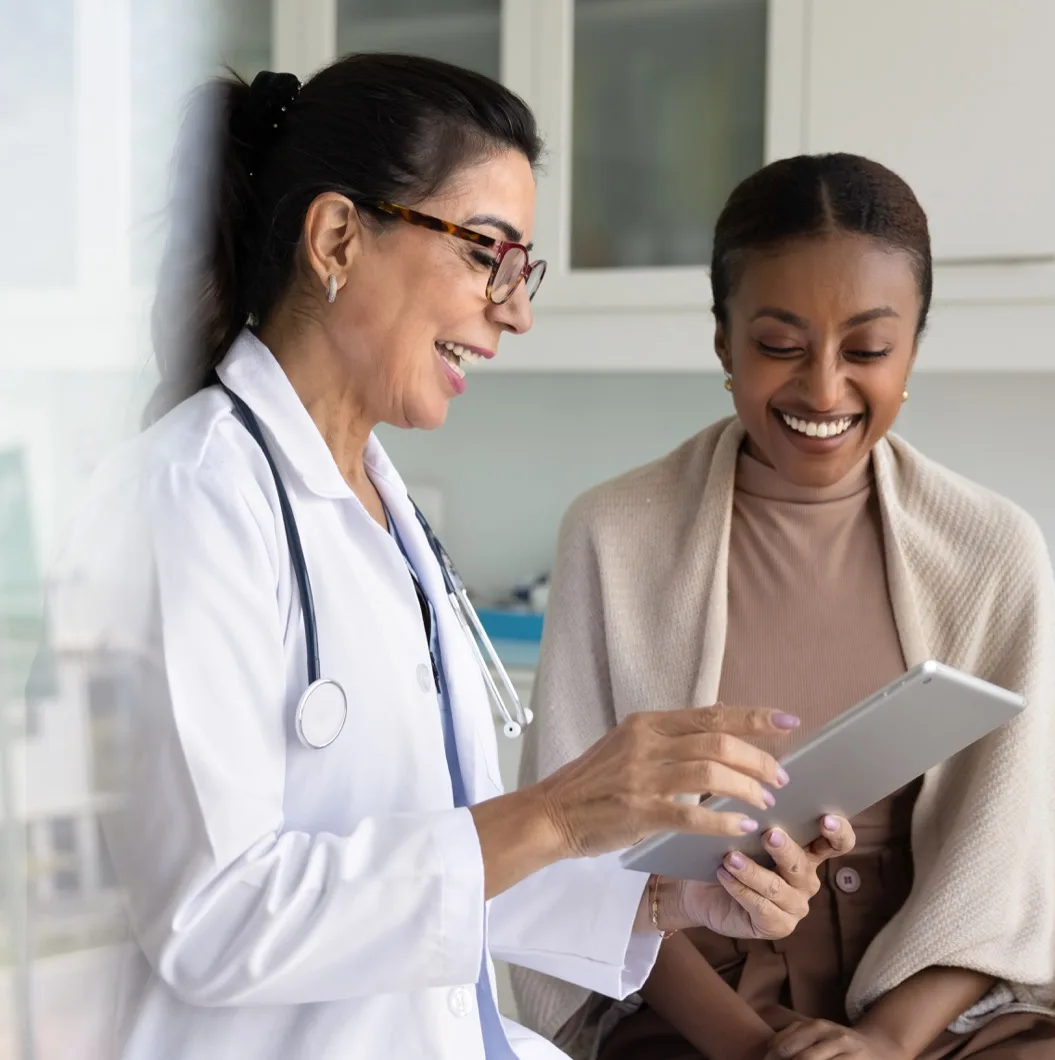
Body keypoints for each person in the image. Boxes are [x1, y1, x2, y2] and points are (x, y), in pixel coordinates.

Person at [49, 58, 858, 1060]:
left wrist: (669, 895)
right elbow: (216, 916)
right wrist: (560, 811)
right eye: (487, 254)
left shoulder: (386, 513)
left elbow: (436, 860)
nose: (514, 311)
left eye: (519, 270)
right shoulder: (184, 498)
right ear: (337, 236)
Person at [512, 153, 1055, 1060]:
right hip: (694, 989)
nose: (824, 390)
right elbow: (577, 864)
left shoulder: (993, 550)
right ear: (723, 342)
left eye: (868, 350)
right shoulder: (613, 535)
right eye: (780, 345)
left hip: (924, 988)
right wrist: (754, 1047)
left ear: (912, 346)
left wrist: (880, 1043)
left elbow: (1016, 871)